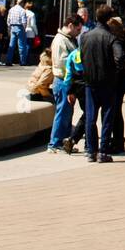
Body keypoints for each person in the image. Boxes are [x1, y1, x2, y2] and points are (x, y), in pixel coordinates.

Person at [74, 6, 118, 163]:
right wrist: (113, 72)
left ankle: (91, 151)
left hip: (90, 82)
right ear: (108, 19)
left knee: (90, 117)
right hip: (106, 82)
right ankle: (103, 151)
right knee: (107, 117)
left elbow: (81, 57)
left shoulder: (85, 37)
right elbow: (119, 58)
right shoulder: (110, 37)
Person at [47, 15, 84, 153]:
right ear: (70, 26)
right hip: (62, 81)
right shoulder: (60, 40)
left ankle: (64, 142)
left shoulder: (69, 39)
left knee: (67, 113)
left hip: (67, 81)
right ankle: (55, 143)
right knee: (62, 113)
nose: (79, 32)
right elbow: (62, 62)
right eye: (78, 29)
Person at [105, 16, 125, 154]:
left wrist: (112, 71)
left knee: (114, 112)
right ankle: (118, 141)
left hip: (117, 81)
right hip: (121, 81)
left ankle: (117, 142)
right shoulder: (124, 39)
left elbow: (120, 59)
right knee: (116, 112)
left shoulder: (118, 41)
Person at [5, 0, 30, 67]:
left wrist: (9, 28)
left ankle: (8, 60)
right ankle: (22, 61)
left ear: (16, 2)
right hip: (20, 27)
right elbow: (24, 22)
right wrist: (24, 29)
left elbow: (8, 20)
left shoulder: (11, 9)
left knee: (11, 45)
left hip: (13, 27)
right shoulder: (22, 10)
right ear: (22, 3)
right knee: (21, 46)